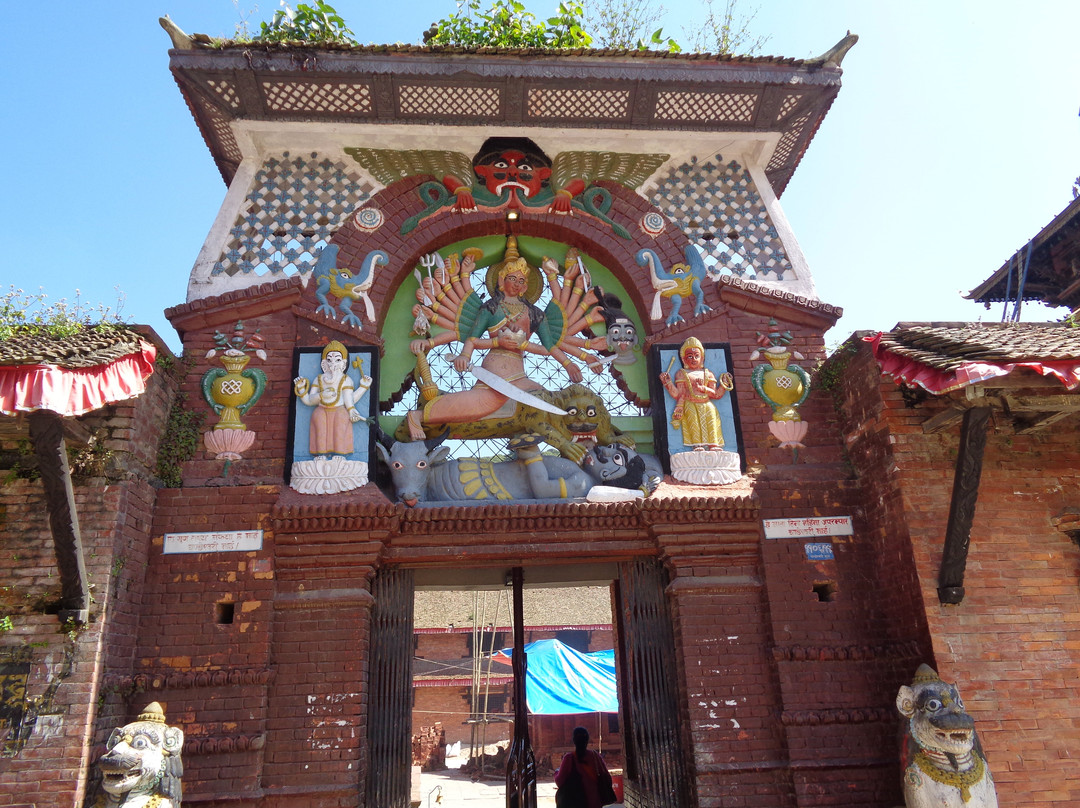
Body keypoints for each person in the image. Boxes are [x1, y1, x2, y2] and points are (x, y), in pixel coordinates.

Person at [406, 247, 582, 440]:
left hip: (519, 376)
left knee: (543, 403)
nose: (516, 284)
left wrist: (568, 364)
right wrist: (468, 354)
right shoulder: (490, 308)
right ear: (501, 280)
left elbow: (549, 349)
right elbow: (472, 339)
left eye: (521, 281)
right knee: (482, 404)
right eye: (512, 279)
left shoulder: (535, 313)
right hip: (492, 375)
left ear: (525, 287)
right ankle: (418, 416)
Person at [293, 341, 371, 456]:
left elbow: (349, 400)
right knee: (320, 429)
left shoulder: (345, 379)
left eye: (337, 360)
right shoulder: (319, 379)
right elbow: (308, 400)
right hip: (321, 410)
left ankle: (339, 456)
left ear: (344, 363)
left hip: (340, 410)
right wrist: (301, 389)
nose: (332, 363)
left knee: (339, 428)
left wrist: (363, 387)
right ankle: (321, 456)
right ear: (324, 363)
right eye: (329, 360)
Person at [659, 336, 732, 450]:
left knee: (711, 423)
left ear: (702, 358)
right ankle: (697, 445)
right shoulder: (681, 373)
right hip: (690, 403)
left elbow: (716, 395)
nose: (694, 359)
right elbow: (678, 394)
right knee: (694, 425)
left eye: (697, 356)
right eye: (690, 356)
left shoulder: (708, 374)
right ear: (683, 359)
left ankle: (713, 444)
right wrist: (667, 382)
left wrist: (712, 387)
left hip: (707, 404)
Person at [554, 726, 614, 808]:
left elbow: (559, 782)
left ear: (574, 740)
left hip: (575, 802)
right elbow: (607, 778)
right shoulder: (595, 756)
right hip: (595, 801)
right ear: (587, 740)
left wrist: (556, 772)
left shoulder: (569, 758)